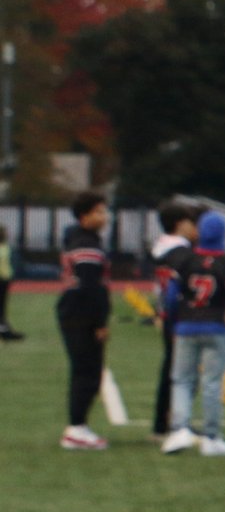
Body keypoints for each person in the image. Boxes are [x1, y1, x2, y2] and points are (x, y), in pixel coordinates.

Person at [159, 210, 225, 458]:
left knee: (182, 380)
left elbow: (170, 298)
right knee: (211, 383)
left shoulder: (185, 260)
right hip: (216, 328)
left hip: (186, 326)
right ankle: (211, 437)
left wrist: (173, 323)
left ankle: (180, 430)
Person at [57, 191, 114, 450]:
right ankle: (76, 428)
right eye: (99, 211)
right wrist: (100, 321)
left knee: (84, 371)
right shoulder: (87, 244)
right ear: (85, 215)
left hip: (72, 311)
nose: (104, 216)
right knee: (87, 372)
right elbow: (92, 287)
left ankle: (78, 426)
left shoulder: (79, 238)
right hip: (81, 314)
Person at [149, 199, 200, 438]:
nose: (195, 228)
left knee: (170, 367)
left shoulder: (161, 247)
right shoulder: (181, 253)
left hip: (167, 313)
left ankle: (165, 420)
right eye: (192, 222)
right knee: (182, 371)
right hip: (180, 316)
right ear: (180, 224)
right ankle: (175, 421)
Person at [0, 220, 18, 340]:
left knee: (2, 306)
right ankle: (4, 330)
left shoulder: (5, 246)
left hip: (5, 279)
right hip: (1, 279)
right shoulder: (3, 248)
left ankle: (4, 328)